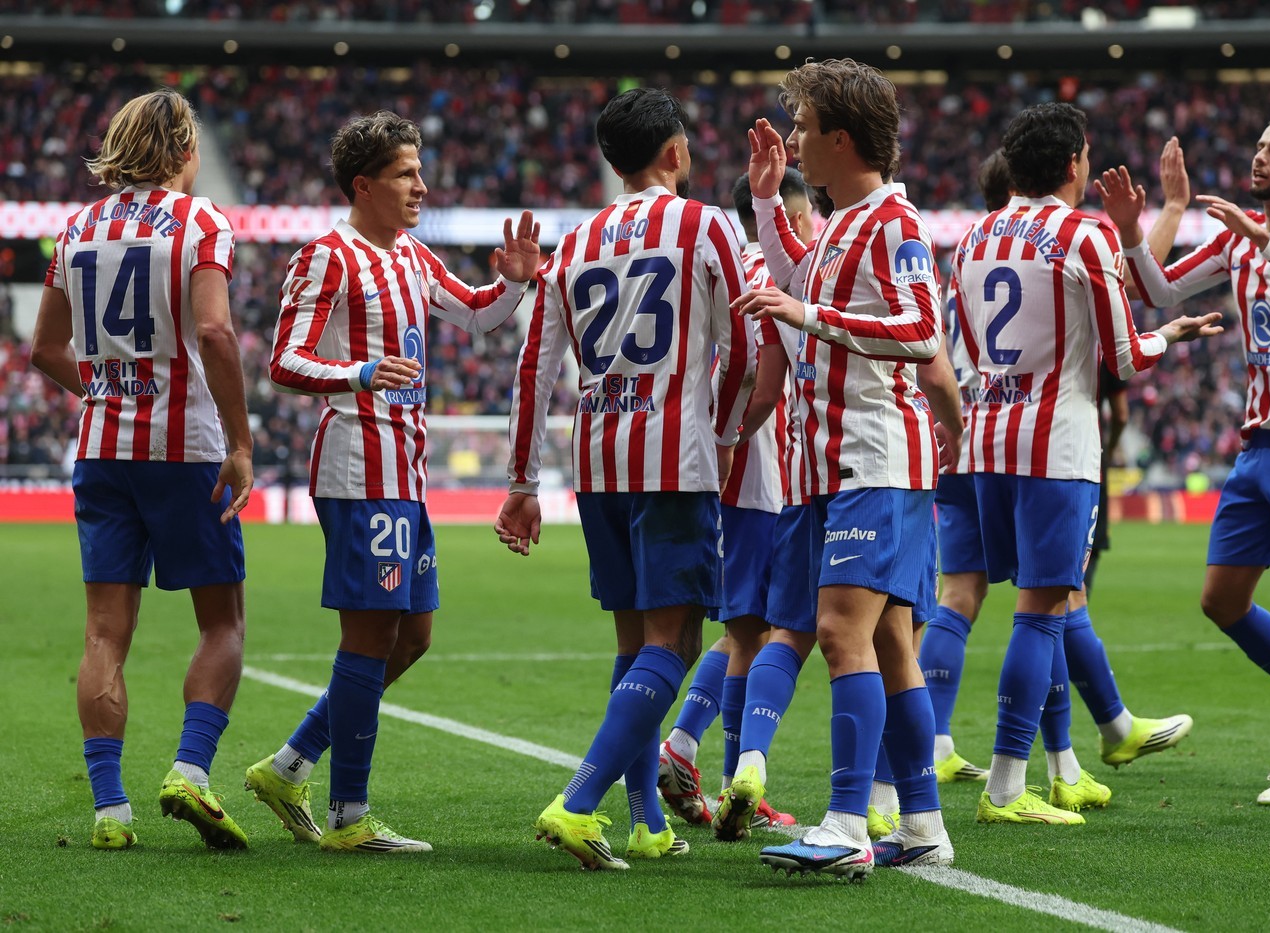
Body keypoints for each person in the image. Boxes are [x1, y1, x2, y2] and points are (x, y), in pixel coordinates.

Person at [245, 111, 540, 852]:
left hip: (406, 469)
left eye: (420, 171)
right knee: (373, 634)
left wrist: (513, 283)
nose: (422, 186)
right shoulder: (328, 258)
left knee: (413, 635)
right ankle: (349, 815)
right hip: (358, 464)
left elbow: (477, 316)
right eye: (407, 173)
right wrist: (360, 372)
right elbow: (284, 361)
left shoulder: (411, 255)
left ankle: (288, 766)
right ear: (364, 185)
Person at [495, 87, 755, 870]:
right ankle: (576, 802)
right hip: (675, 458)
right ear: (674, 151)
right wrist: (728, 432)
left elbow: (534, 368)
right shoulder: (705, 224)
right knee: (676, 641)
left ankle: (646, 822)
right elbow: (745, 345)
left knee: (635, 640)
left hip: (599, 460)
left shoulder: (574, 243)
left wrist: (522, 482)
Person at [950, 103, 1221, 826]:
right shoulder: (1084, 234)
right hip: (1056, 445)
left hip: (988, 439)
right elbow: (1124, 357)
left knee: (1040, 603)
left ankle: (1066, 765)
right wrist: (1169, 334)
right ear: (1074, 163)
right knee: (1043, 611)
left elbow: (969, 350)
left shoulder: (974, 236)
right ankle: (1006, 787)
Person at [733, 58, 964, 879]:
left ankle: (845, 821)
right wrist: (767, 202)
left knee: (838, 631)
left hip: (874, 456)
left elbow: (921, 333)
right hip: (832, 464)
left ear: (839, 138)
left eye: (802, 128)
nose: (793, 140)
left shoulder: (896, 222)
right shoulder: (841, 223)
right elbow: (797, 278)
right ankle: (924, 823)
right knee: (893, 643)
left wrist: (808, 313)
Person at [1107, 113, 1270, 807]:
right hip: (1260, 445)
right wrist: (1136, 230)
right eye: (1257, 148)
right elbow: (1158, 291)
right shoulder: (1235, 240)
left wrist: (1262, 238)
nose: (1259, 158)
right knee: (1220, 600)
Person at [29, 88, 255, 850]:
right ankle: (189, 770)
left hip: (101, 450)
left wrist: (104, 391)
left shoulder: (76, 228)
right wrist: (241, 442)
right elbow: (215, 332)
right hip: (184, 449)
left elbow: (44, 348)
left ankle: (110, 810)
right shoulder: (201, 221)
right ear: (187, 149)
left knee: (104, 631)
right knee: (222, 620)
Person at [655, 168, 813, 835]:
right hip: (756, 467)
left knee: (743, 626)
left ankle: (688, 750)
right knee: (758, 630)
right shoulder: (779, 273)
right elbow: (759, 375)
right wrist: (738, 436)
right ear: (794, 219)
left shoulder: (718, 263)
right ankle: (723, 775)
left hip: (713, 462)